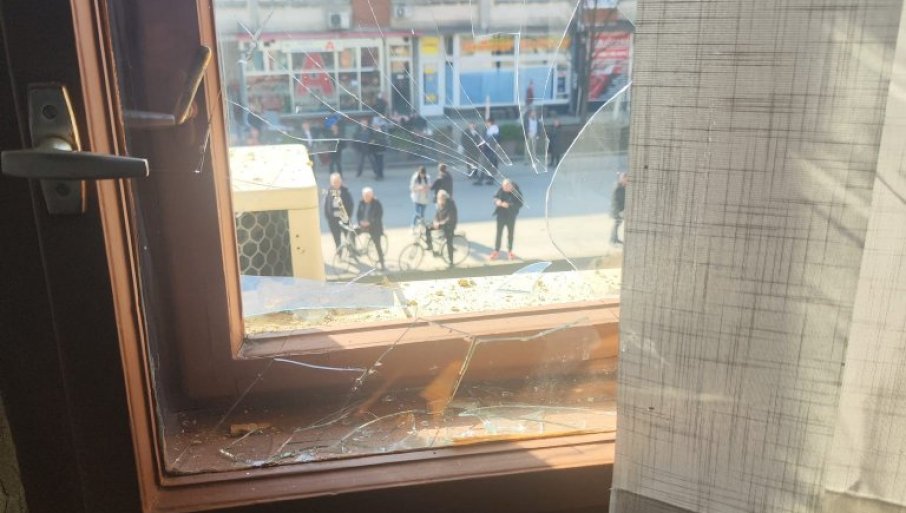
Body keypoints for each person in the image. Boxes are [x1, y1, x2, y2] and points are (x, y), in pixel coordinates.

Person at [489, 179, 524, 261]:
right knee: (499, 233)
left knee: (510, 234)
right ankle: (496, 250)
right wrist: (497, 201)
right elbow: (495, 197)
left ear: (511, 186)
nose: (504, 188)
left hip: (511, 216)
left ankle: (510, 251)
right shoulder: (501, 189)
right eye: (503, 186)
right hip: (501, 215)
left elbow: (520, 204)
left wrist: (508, 205)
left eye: (506, 187)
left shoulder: (516, 193)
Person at [425, 189, 458, 268]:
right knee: (428, 227)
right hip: (440, 222)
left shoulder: (451, 204)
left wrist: (439, 223)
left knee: (449, 243)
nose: (439, 200)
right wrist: (435, 222)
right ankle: (430, 246)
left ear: (444, 198)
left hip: (449, 225)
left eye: (440, 198)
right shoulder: (440, 203)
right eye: (439, 198)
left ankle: (451, 262)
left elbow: (450, 218)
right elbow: (437, 214)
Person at [356, 187, 385, 270]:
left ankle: (382, 263)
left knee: (377, 245)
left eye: (368, 196)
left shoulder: (377, 203)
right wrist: (360, 222)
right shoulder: (361, 202)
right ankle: (354, 252)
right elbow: (358, 214)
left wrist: (370, 222)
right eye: (365, 196)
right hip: (363, 225)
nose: (366, 197)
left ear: (372, 195)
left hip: (374, 227)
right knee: (351, 232)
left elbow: (379, 216)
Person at [323, 173, 354, 250]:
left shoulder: (345, 191)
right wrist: (328, 217)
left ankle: (351, 252)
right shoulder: (330, 191)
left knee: (348, 237)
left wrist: (348, 216)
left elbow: (350, 205)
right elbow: (326, 205)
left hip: (344, 218)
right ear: (331, 182)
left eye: (337, 181)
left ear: (341, 182)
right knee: (336, 238)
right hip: (333, 219)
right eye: (334, 182)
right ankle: (339, 252)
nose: (336, 184)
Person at [477, 118, 500, 185]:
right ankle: (484, 179)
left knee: (489, 164)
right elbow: (484, 138)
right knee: (485, 164)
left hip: (491, 149)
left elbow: (496, 139)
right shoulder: (487, 129)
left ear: (491, 123)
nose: (486, 124)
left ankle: (487, 179)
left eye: (487, 122)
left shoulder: (495, 129)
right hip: (486, 149)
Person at [611, 172, 628, 245]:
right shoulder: (618, 188)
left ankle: (614, 239)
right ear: (621, 179)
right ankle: (613, 239)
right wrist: (620, 210)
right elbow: (617, 200)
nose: (626, 181)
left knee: (617, 224)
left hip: (620, 209)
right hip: (618, 210)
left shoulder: (622, 187)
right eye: (625, 179)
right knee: (617, 224)